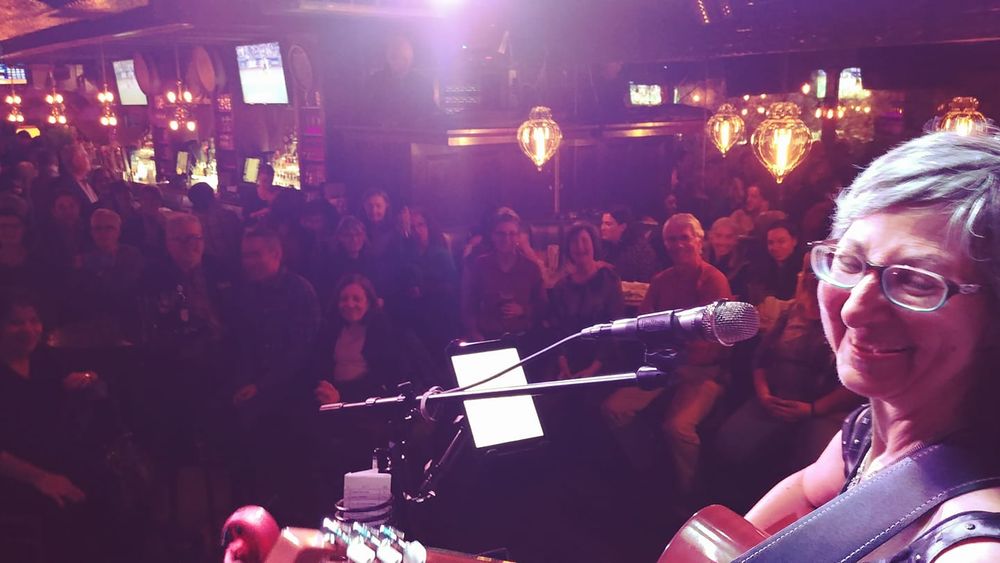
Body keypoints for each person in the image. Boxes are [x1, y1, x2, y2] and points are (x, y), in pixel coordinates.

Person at [744, 131, 1000, 561]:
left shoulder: (975, 545)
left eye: (916, 280)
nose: (853, 310)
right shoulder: (866, 430)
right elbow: (807, 492)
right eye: (849, 262)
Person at [601, 213, 732, 499]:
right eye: (671, 239)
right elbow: (643, 326)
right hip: (667, 367)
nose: (678, 244)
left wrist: (669, 338)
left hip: (705, 373)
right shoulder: (661, 281)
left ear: (699, 241)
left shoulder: (714, 280)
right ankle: (651, 469)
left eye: (684, 237)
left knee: (677, 427)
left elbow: (710, 343)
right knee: (614, 409)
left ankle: (689, 494)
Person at [715, 253, 860, 479]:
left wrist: (812, 409)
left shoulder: (850, 321)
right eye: (810, 270)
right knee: (727, 444)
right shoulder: (791, 311)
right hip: (775, 401)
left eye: (823, 271)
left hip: (823, 411)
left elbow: (855, 382)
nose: (814, 277)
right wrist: (764, 394)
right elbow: (761, 358)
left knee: (812, 469)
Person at [550, 221, 624, 379]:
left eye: (584, 240)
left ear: (594, 244)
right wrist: (562, 363)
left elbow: (614, 327)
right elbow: (557, 330)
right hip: (569, 362)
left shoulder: (609, 279)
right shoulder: (561, 287)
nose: (580, 247)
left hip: (603, 363)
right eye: (574, 242)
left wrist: (593, 369)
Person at [461, 208, 548, 341]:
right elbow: (469, 305)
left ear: (518, 237)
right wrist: (474, 333)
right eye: (501, 234)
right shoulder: (480, 265)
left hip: (524, 336)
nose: (506, 239)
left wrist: (524, 310)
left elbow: (543, 306)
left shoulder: (530, 268)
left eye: (512, 234)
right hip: (488, 336)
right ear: (493, 236)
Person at [748, 220, 803, 303]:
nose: (775, 247)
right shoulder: (761, 267)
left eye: (781, 241)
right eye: (770, 243)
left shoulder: (803, 268)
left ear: (794, 241)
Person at [600, 206, 659, 283]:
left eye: (608, 224)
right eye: (602, 223)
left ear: (622, 227)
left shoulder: (638, 250)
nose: (602, 228)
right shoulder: (603, 246)